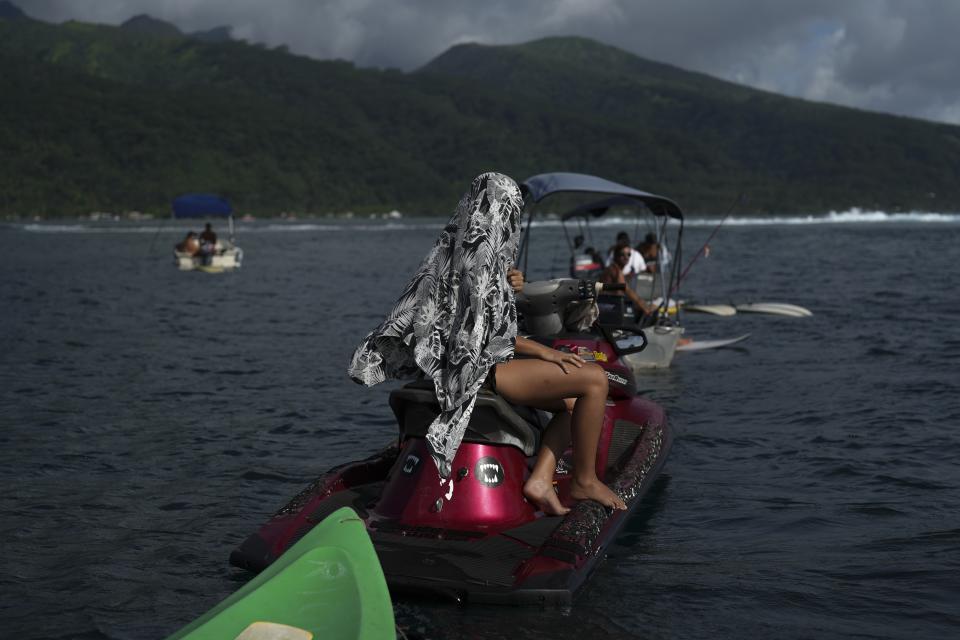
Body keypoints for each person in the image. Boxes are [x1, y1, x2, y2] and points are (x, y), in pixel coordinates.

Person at [349, 172, 625, 515]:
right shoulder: (479, 257)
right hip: (474, 369)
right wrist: (546, 351)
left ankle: (540, 480)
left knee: (571, 403)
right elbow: (478, 335)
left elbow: (467, 314)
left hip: (452, 363)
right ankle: (585, 481)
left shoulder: (453, 247)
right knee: (594, 380)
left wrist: (509, 286)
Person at [600, 242, 656, 315]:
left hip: (610, 303)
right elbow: (627, 290)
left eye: (628, 254)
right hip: (607, 306)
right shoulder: (615, 270)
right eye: (622, 255)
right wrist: (644, 307)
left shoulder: (615, 269)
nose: (626, 257)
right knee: (647, 308)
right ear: (616, 256)